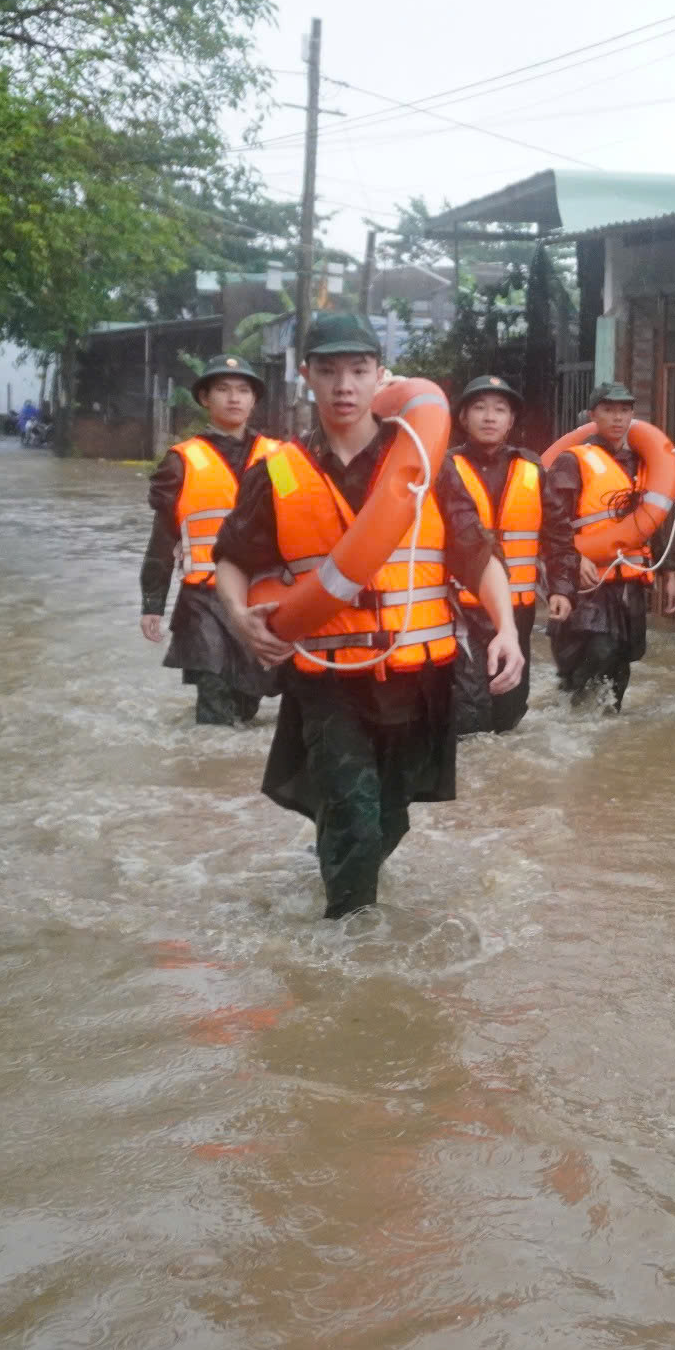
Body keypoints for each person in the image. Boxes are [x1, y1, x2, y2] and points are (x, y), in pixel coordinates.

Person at [209, 312, 526, 918]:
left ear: (380, 374)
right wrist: (237, 616)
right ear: (307, 377)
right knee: (355, 815)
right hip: (327, 679)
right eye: (328, 371)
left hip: (417, 678)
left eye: (358, 370)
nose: (345, 386)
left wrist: (507, 628)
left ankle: (336, 872)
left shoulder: (425, 468)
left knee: (390, 817)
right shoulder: (276, 471)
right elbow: (230, 558)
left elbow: (475, 553)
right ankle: (343, 957)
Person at [141, 355, 283, 726]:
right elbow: (162, 538)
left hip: (263, 596)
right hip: (203, 598)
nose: (234, 398)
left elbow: (304, 528)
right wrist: (152, 602)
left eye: (243, 390)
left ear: (254, 400)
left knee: (248, 703)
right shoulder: (180, 461)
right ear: (205, 398)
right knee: (215, 704)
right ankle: (205, 776)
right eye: (222, 389)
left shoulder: (281, 458)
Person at [541, 382, 675, 710]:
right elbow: (551, 522)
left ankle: (604, 732)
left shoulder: (640, 463)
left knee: (621, 663)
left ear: (632, 415)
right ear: (593, 415)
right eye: (608, 410)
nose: (618, 418)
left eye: (624, 410)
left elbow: (649, 523)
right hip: (588, 584)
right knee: (596, 654)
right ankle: (569, 728)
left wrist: (668, 571)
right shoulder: (572, 461)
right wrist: (574, 559)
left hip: (628, 582)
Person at [446, 374, 570, 733]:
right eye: (480, 408)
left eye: (499, 410)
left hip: (518, 609)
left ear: (511, 421)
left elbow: (558, 534)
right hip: (457, 608)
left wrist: (561, 587)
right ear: (463, 418)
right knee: (468, 707)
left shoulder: (532, 469)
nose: (489, 417)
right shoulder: (444, 470)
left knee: (510, 706)